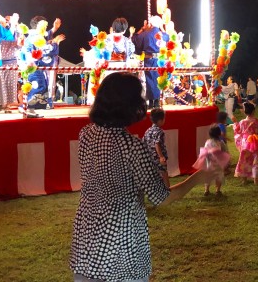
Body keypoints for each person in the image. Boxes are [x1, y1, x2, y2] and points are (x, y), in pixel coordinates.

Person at [70, 72, 211, 282]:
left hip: (86, 242)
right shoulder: (132, 147)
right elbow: (161, 197)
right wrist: (199, 177)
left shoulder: (86, 134)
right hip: (121, 249)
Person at [132, 15, 169, 108]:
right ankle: (156, 101)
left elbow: (134, 39)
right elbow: (168, 37)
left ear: (151, 24)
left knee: (149, 80)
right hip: (159, 60)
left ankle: (152, 101)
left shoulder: (146, 34)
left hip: (148, 59)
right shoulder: (162, 35)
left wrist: (143, 29)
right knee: (158, 79)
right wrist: (162, 28)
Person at [193, 124, 231, 196]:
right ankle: (217, 191)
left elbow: (205, 150)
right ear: (219, 134)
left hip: (209, 163)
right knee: (219, 176)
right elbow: (225, 151)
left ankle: (206, 190)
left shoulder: (207, 142)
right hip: (218, 164)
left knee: (208, 177)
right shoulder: (221, 142)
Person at [234, 102, 258, 184]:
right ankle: (256, 179)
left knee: (244, 160)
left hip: (245, 143)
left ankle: (244, 179)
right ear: (253, 111)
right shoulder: (257, 121)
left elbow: (238, 132)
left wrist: (235, 124)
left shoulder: (242, 122)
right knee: (256, 161)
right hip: (255, 143)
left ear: (245, 112)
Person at [143, 108, 169, 187]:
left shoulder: (148, 131)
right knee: (164, 172)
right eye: (164, 119)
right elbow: (157, 143)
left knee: (155, 175)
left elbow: (144, 142)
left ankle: (157, 189)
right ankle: (168, 189)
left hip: (150, 157)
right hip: (158, 157)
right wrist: (161, 157)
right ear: (160, 120)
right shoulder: (160, 131)